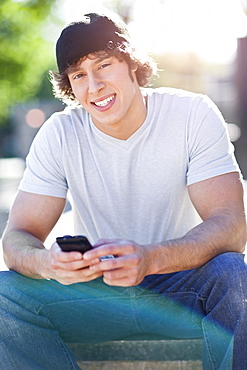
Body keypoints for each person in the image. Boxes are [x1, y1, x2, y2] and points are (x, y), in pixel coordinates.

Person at [1, 12, 246, 369]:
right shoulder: (60, 133)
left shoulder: (192, 114)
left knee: (233, 274)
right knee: (5, 292)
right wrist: (48, 264)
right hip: (98, 296)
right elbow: (17, 238)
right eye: (79, 76)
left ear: (131, 63)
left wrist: (150, 258)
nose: (94, 86)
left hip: (181, 291)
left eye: (104, 65)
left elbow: (232, 225)